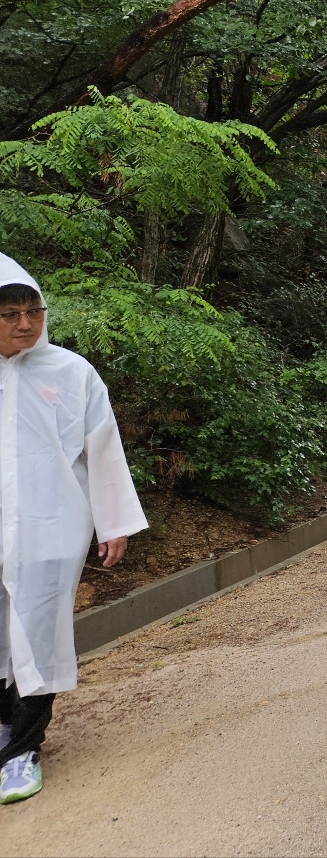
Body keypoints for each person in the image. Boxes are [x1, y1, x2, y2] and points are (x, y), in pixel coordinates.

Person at [0, 253, 147, 805]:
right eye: (10, 314)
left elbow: (102, 450)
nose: (25, 323)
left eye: (33, 311)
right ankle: (5, 725)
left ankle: (23, 749)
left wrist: (114, 523)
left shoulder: (71, 372)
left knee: (38, 631)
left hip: (51, 527)